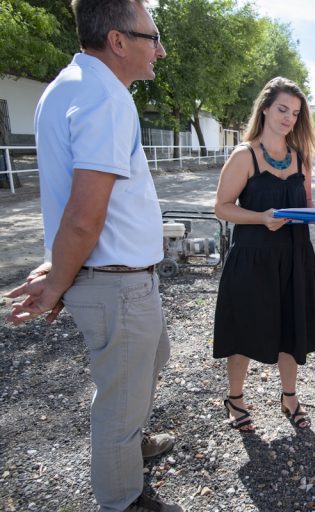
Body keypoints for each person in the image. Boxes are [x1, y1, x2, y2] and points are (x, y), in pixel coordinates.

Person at [4, 1, 182, 510]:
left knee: (153, 360)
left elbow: (66, 197)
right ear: (119, 40)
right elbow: (84, 214)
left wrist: (61, 269)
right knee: (119, 402)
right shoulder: (106, 97)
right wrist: (59, 280)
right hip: (117, 281)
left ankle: (129, 447)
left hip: (114, 276)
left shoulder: (67, 87)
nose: (161, 50)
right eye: (152, 36)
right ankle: (122, 497)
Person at [213, 77, 315, 431]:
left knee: (292, 329)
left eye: (295, 112)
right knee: (244, 329)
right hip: (253, 258)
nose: (289, 118)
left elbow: (304, 204)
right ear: (264, 108)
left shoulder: (301, 158)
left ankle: (289, 396)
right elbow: (222, 208)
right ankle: (235, 397)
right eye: (282, 109)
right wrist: (261, 218)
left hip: (295, 256)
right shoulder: (244, 155)